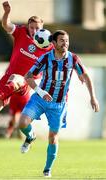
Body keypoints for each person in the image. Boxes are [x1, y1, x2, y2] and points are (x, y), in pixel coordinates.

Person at [0, 1, 53, 162]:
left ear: (43, 29)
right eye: (32, 28)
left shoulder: (49, 46)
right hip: (8, 78)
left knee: (16, 79)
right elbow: (6, 25)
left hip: (26, 83)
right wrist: (7, 12)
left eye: (38, 28)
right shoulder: (21, 33)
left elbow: (59, 58)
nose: (35, 31)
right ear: (28, 27)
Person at [18, 30, 100, 177]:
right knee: (22, 123)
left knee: (53, 137)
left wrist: (93, 97)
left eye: (67, 40)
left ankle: (47, 169)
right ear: (54, 43)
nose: (65, 43)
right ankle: (30, 137)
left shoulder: (73, 59)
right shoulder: (45, 58)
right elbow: (28, 76)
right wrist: (41, 92)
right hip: (40, 99)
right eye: (62, 40)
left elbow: (85, 75)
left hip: (58, 104)